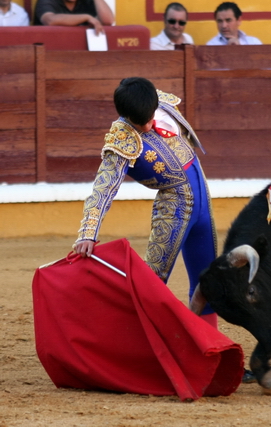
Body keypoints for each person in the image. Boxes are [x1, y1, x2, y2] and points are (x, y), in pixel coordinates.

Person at [72, 77, 256, 384]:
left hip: (202, 204)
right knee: (151, 286)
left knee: (207, 282)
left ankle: (213, 357)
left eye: (147, 119)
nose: (146, 127)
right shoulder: (120, 141)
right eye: (138, 122)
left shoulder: (161, 103)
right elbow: (101, 191)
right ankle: (139, 358)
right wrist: (88, 232)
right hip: (174, 210)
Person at [33, 0, 114, 35]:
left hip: (81, 54)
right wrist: (86, 17)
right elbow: (50, 20)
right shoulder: (47, 1)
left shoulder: (86, 1)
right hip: (50, 53)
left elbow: (108, 21)